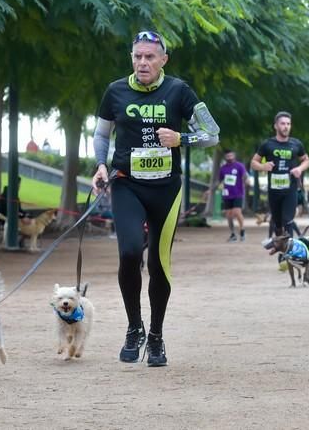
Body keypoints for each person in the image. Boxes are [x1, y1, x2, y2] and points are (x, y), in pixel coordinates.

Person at [91, 30, 219, 366]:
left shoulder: (179, 90)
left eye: (150, 56)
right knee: (130, 252)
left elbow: (212, 134)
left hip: (167, 189)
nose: (143, 62)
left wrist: (181, 138)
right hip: (126, 184)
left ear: (164, 59)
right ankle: (135, 327)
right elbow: (102, 133)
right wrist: (101, 166)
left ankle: (157, 337)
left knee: (159, 265)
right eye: (137, 56)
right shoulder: (115, 91)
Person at [250, 111, 309, 238]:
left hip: (290, 189)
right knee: (277, 223)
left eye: (288, 124)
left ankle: (290, 251)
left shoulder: (296, 144)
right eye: (283, 123)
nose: (286, 126)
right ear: (276, 126)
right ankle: (281, 243)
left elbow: (306, 160)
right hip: (274, 191)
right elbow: (253, 162)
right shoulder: (267, 144)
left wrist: (299, 169)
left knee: (287, 219)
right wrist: (263, 166)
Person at [216, 149, 249, 242]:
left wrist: (246, 180)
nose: (229, 158)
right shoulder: (223, 168)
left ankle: (242, 230)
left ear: (234, 156)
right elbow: (219, 181)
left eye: (231, 156)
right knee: (228, 215)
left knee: (236, 212)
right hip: (227, 194)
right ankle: (233, 234)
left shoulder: (239, 166)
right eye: (228, 156)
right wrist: (211, 190)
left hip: (238, 193)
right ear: (225, 157)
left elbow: (245, 176)